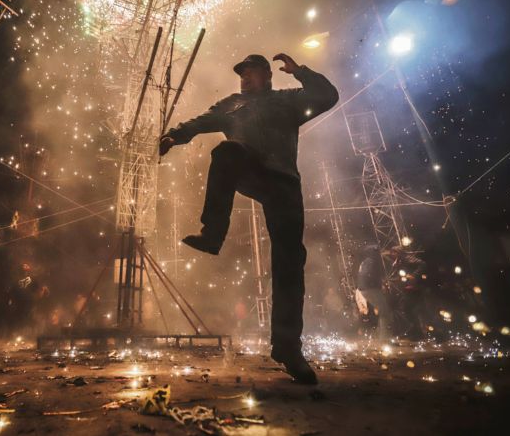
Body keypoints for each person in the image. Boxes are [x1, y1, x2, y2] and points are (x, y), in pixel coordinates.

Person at [159, 53, 338, 384]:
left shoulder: (287, 101)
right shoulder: (231, 104)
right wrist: (175, 135)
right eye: (242, 74)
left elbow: (328, 96)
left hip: (283, 182)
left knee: (289, 262)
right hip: (250, 169)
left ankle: (288, 348)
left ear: (269, 75)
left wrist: (301, 72)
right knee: (226, 152)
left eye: (252, 73)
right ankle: (213, 233)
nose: (245, 78)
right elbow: (200, 122)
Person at [356, 245, 394, 341]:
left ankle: (381, 336)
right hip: (371, 289)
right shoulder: (371, 262)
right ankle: (385, 339)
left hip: (364, 289)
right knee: (384, 313)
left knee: (382, 312)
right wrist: (379, 285)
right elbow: (368, 276)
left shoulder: (365, 262)